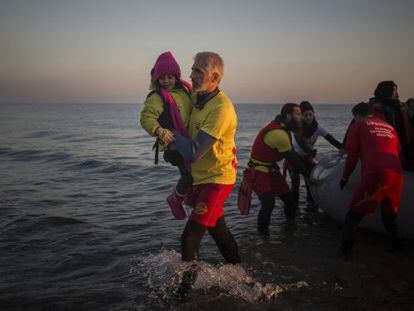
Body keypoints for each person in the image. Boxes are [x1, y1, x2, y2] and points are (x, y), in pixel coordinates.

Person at [169, 52, 241, 300]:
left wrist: (167, 134)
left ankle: (182, 295)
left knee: (189, 237)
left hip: (218, 179)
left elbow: (193, 151)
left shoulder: (222, 108)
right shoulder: (197, 99)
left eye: (198, 71)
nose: (191, 75)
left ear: (215, 77)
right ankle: (242, 276)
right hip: (202, 178)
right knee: (218, 230)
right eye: (192, 69)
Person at [338, 102, 403, 260]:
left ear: (358, 116)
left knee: (353, 217)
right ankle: (397, 250)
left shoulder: (358, 126)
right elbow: (399, 153)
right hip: (397, 175)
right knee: (389, 216)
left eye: (355, 118)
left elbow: (351, 157)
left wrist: (344, 177)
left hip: (377, 174)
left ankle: (344, 257)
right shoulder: (389, 127)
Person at [238, 103, 311, 234]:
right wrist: (308, 174)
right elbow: (292, 158)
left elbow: (293, 153)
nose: (301, 118)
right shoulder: (279, 133)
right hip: (258, 171)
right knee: (268, 202)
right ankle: (263, 237)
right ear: (289, 117)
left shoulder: (283, 128)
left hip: (270, 169)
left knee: (288, 200)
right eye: (298, 114)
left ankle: (290, 229)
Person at [140, 51, 193, 220]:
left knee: (197, 174)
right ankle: (175, 199)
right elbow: (146, 118)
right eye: (162, 77)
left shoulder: (186, 91)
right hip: (173, 142)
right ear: (156, 79)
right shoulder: (156, 97)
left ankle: (191, 200)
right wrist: (159, 130)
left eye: (170, 77)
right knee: (188, 176)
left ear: (176, 77)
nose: (166, 81)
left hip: (190, 140)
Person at [289, 101, 343, 204]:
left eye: (310, 114)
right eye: (305, 115)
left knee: (310, 182)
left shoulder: (317, 128)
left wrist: (343, 148)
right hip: (294, 158)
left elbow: (330, 139)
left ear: (314, 114)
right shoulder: (297, 127)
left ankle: (311, 205)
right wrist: (311, 152)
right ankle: (293, 210)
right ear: (301, 116)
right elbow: (300, 142)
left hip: (308, 158)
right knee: (295, 183)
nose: (309, 117)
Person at [371, 81, 414, 170]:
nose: (396, 93)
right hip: (385, 144)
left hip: (403, 142)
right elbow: (356, 125)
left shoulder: (400, 106)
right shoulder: (373, 107)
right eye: (394, 90)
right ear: (386, 91)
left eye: (396, 90)